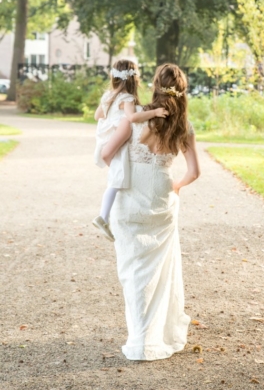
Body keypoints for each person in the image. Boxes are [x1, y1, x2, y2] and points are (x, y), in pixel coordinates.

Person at [100, 63, 200, 361]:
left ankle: (140, 339)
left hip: (131, 193)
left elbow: (107, 155)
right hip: (162, 195)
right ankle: (153, 337)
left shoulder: (136, 117)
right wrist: (177, 186)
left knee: (132, 269)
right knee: (158, 270)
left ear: (155, 85)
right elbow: (194, 172)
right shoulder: (185, 127)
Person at [93, 59, 168, 242]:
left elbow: (97, 115)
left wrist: (112, 116)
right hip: (117, 143)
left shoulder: (109, 96)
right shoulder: (127, 98)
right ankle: (103, 217)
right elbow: (133, 117)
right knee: (116, 181)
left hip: (105, 140)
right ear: (134, 79)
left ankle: (106, 216)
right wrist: (155, 112)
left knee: (117, 178)